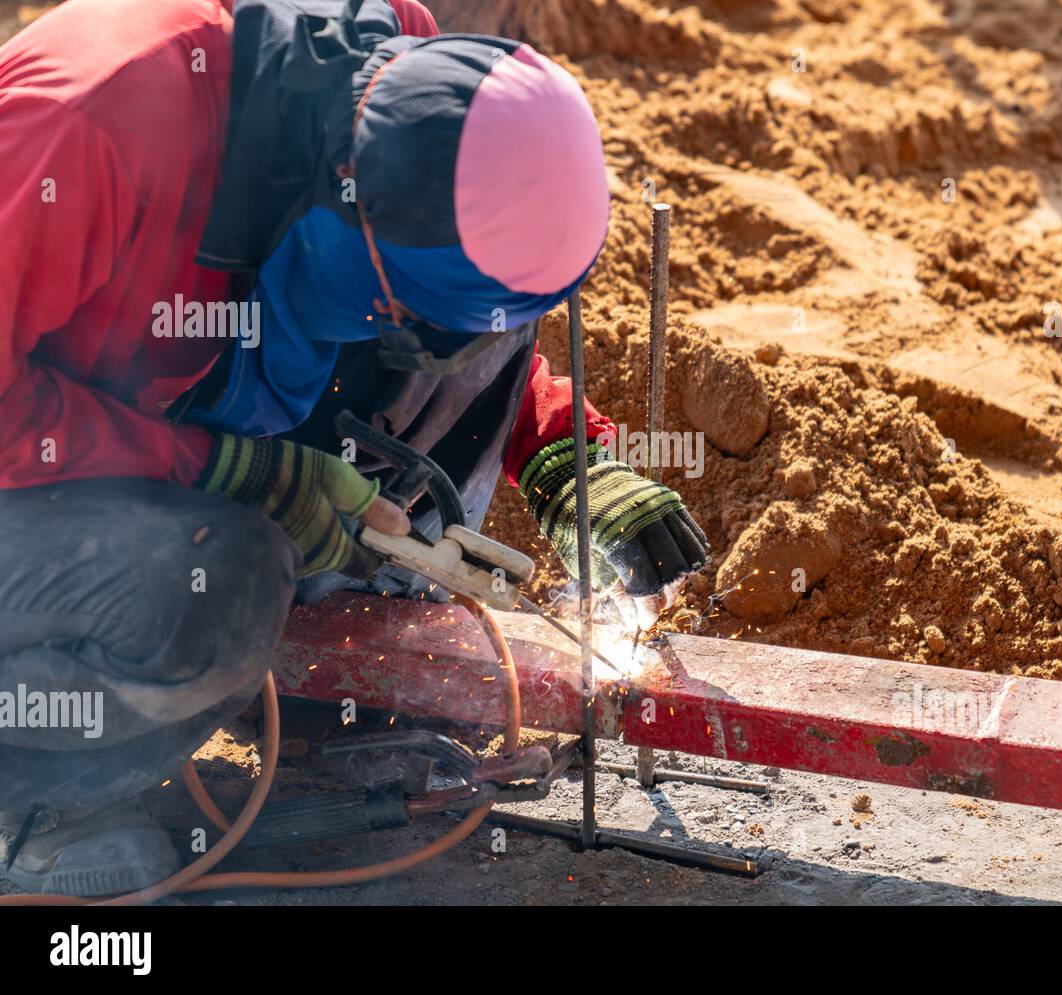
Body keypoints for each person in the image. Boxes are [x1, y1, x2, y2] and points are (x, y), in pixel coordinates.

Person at [0, 0, 707, 895]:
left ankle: (316, 705)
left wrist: (565, 453)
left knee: (446, 338)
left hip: (171, 386)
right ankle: (30, 791)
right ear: (347, 187)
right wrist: (228, 469)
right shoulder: (88, 125)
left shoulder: (405, 90)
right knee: (214, 586)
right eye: (403, 316)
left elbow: (469, 325)